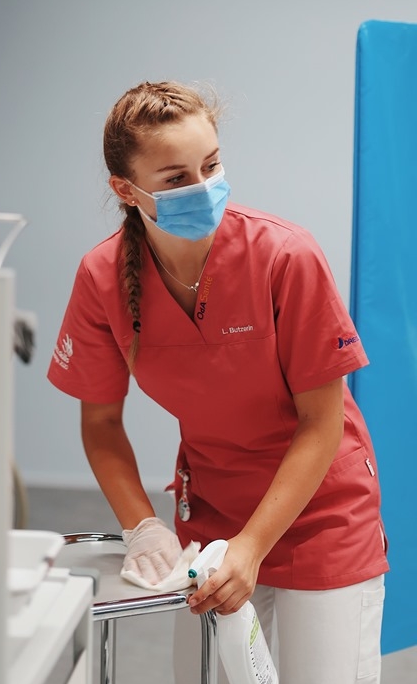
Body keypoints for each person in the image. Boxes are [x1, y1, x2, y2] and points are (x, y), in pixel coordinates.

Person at [47, 81, 388, 684]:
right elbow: (100, 422)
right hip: (213, 518)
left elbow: (322, 423)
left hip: (320, 513)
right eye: (176, 177)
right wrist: (142, 526)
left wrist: (251, 548)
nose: (202, 187)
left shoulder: (284, 256)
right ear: (126, 190)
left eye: (211, 165)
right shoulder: (102, 276)